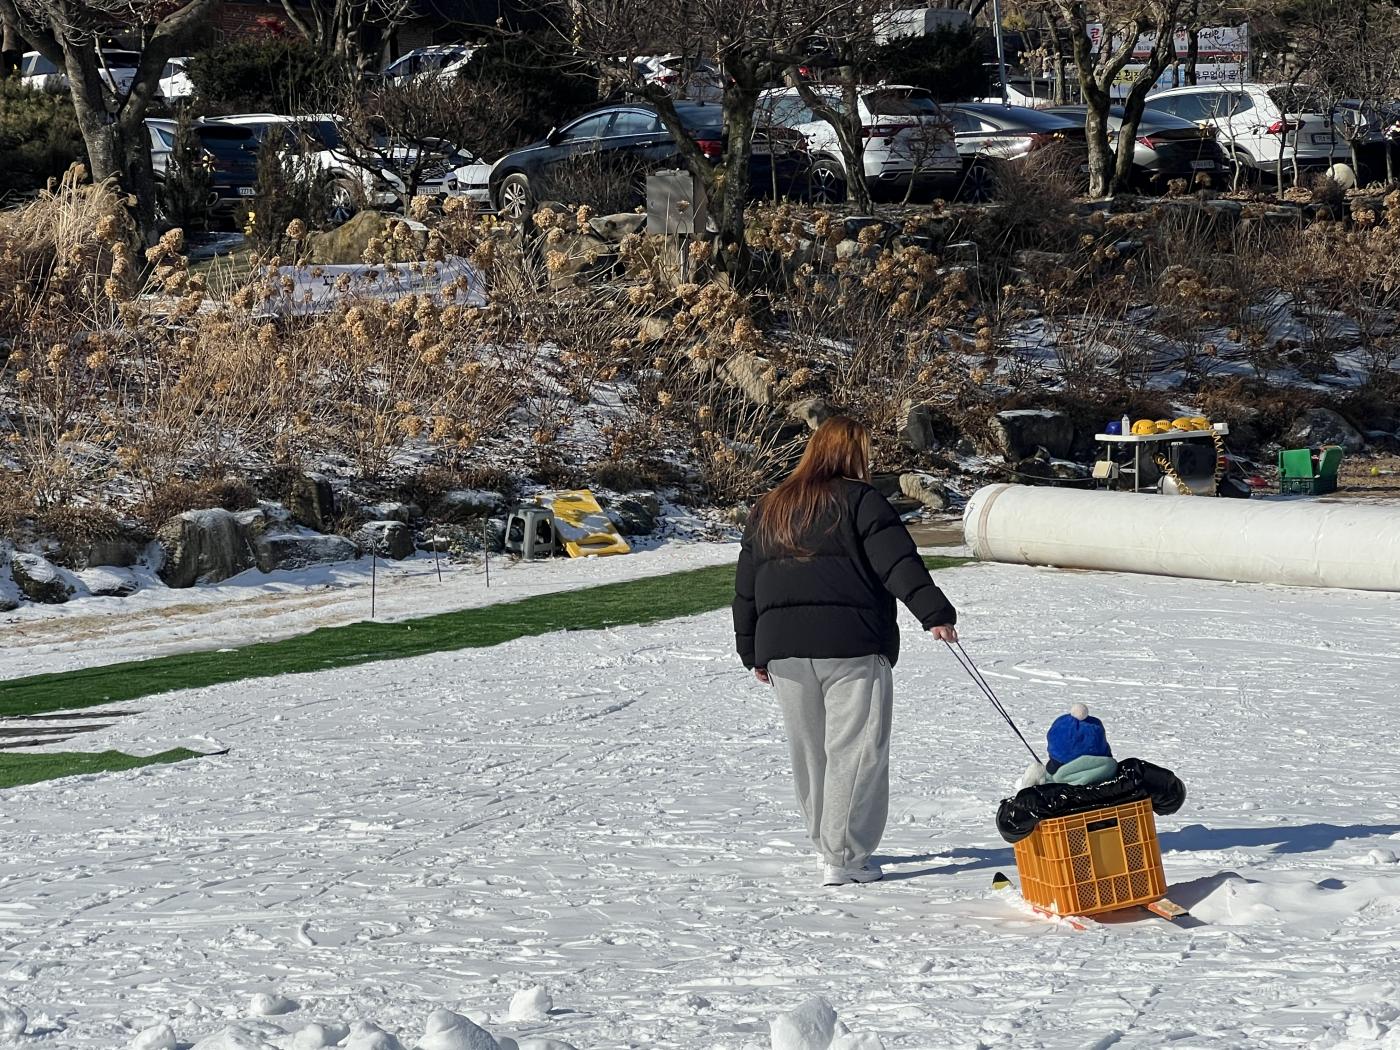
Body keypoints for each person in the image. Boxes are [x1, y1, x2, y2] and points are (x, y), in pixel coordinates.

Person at [732, 416, 958, 887]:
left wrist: (752, 650)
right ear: (853, 452)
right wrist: (934, 613)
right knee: (855, 751)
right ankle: (845, 855)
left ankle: (828, 846)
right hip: (851, 644)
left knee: (811, 753)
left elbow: (746, 588)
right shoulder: (860, 500)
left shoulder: (770, 506)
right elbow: (897, 562)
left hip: (784, 651)